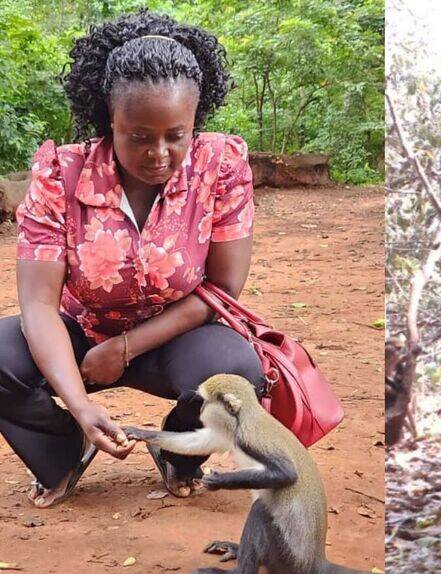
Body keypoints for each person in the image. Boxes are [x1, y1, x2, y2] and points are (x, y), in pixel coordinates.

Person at [1, 11, 264, 507]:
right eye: (139, 136)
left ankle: (178, 452)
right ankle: (63, 451)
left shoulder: (221, 167)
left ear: (196, 122)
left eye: (176, 135)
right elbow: (38, 305)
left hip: (178, 336)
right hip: (81, 335)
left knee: (235, 373)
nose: (159, 153)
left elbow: (222, 290)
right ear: (110, 120)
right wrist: (80, 406)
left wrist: (124, 348)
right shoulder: (59, 176)